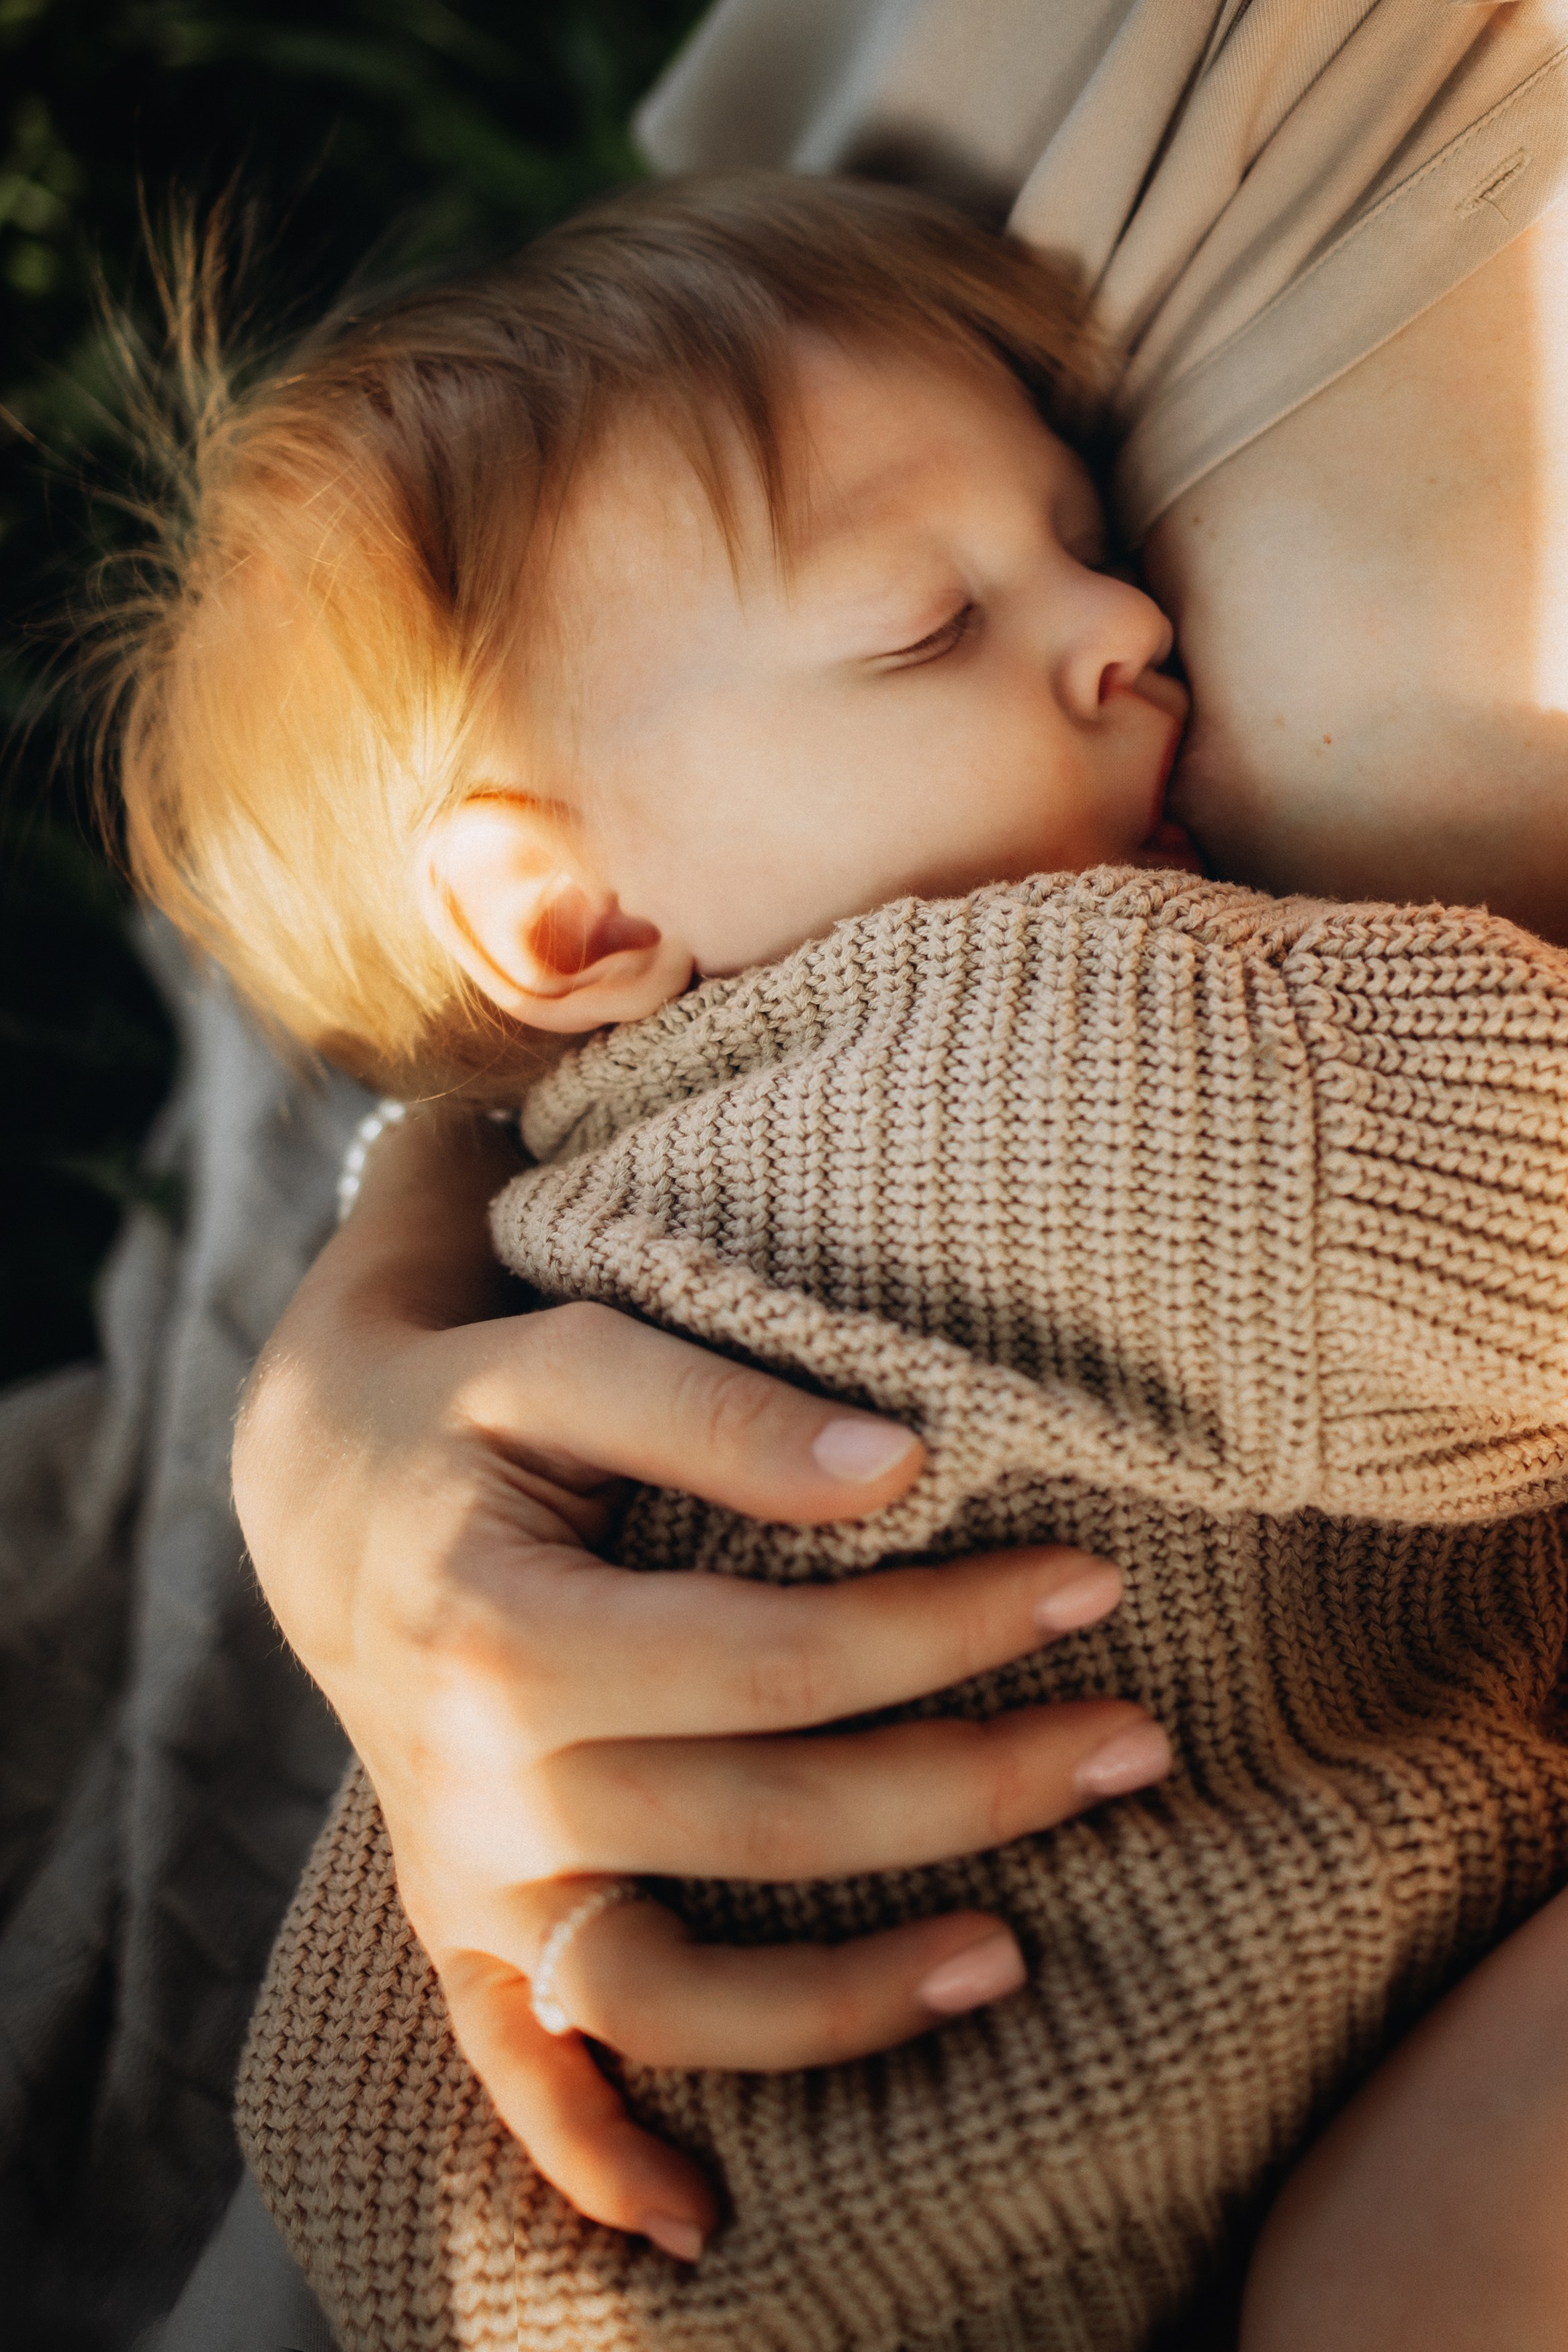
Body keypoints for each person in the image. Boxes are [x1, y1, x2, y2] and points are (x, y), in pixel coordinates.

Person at [216, 3, 1568, 2345]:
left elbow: (375, 1999)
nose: (1131, 624)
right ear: (570, 921)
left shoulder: (573, 1191)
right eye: (934, 624)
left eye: (1081, 543)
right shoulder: (1096, 1056)